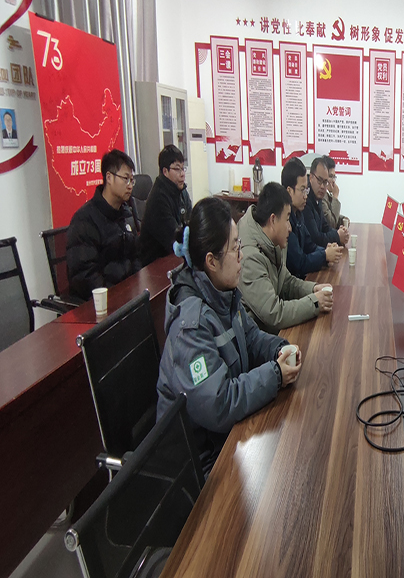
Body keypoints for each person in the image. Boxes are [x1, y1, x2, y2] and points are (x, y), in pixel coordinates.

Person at [156, 197, 301, 474]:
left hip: (228, 440)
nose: (241, 255)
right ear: (211, 261)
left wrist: (280, 348)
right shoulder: (190, 327)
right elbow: (219, 404)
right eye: (235, 247)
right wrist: (275, 375)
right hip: (198, 465)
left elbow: (252, 337)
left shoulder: (223, 293)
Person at [238, 181, 334, 333]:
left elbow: (286, 281)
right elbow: (274, 313)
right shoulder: (250, 258)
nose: (290, 228)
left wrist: (313, 288)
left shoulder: (271, 240)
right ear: (273, 220)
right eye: (287, 219)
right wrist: (315, 302)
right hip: (260, 339)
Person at [66, 149, 141, 301]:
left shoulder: (125, 214)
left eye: (132, 180)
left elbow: (135, 257)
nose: (130, 186)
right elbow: (85, 276)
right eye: (125, 179)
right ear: (109, 177)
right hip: (103, 302)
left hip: (127, 295)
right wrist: (116, 297)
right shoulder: (85, 220)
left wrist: (137, 283)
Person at [282, 157, 342, 278]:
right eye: (302, 190)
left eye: (306, 189)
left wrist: (326, 251)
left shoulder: (298, 213)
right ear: (289, 191)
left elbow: (310, 245)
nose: (306, 195)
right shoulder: (284, 221)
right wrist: (325, 255)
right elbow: (299, 263)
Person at [139, 144, 193, 266]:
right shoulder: (158, 198)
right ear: (165, 171)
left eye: (183, 169)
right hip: (156, 263)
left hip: (174, 256)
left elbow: (191, 222)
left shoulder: (182, 192)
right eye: (177, 169)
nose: (182, 174)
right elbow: (173, 237)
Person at [304, 156, 349, 248]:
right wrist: (337, 236)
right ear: (311, 177)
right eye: (319, 180)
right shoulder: (305, 200)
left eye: (325, 182)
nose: (322, 186)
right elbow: (316, 238)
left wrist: (339, 233)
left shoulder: (318, 196)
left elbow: (325, 226)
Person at [319, 155, 349, 229]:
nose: (333, 181)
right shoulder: (321, 196)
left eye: (334, 177)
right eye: (330, 176)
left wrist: (342, 219)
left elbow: (331, 214)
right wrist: (335, 197)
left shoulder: (327, 195)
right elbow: (331, 223)